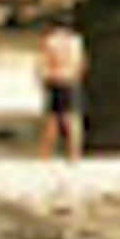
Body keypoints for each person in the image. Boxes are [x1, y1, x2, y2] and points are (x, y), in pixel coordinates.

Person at [35, 23, 87, 161]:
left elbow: (43, 62)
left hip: (54, 79)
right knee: (73, 119)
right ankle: (74, 154)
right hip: (70, 80)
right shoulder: (76, 41)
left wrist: (42, 79)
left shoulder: (50, 41)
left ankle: (44, 154)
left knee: (52, 120)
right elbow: (80, 62)